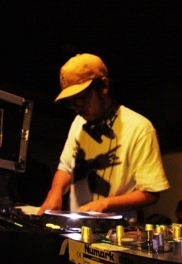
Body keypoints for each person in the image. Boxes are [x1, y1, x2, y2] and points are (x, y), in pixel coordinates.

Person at [37, 53, 170, 222]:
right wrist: (54, 192)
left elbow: (151, 193)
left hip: (118, 232)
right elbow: (65, 168)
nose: (77, 107)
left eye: (81, 98)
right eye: (71, 102)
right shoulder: (78, 122)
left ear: (104, 85)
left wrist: (104, 204)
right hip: (77, 227)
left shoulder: (140, 128)